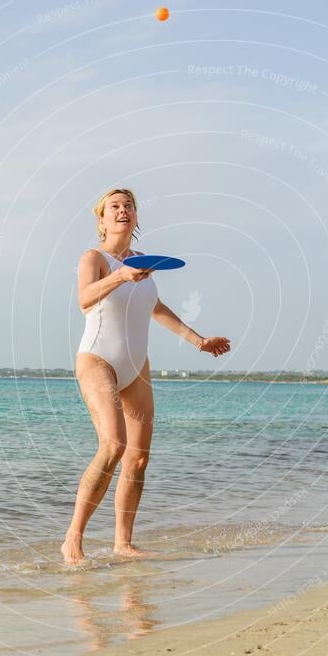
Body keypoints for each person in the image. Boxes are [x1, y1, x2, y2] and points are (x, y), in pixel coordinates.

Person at [61, 188, 231, 564]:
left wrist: (198, 340)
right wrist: (120, 276)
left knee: (137, 460)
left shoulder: (142, 261)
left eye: (129, 206)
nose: (123, 211)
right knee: (113, 446)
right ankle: (73, 538)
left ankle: (123, 543)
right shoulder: (95, 258)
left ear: (136, 216)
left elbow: (154, 306)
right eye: (115, 207)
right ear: (102, 219)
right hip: (97, 361)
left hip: (136, 367)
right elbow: (85, 299)